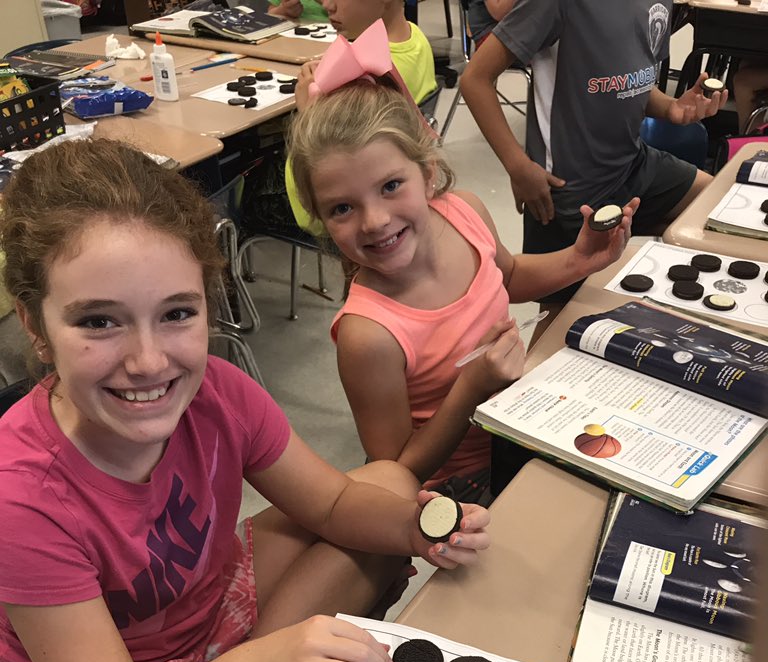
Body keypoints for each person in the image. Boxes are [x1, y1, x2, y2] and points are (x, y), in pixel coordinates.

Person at [0, 138, 491, 662]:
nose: (147, 362)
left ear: (208, 302)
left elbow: (330, 501)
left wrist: (416, 527)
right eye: (99, 322)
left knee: (390, 484)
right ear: (35, 326)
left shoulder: (220, 394)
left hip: (203, 612)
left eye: (176, 314)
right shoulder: (21, 496)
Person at [288, 77, 638, 505]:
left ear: (428, 174)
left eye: (390, 186)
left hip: (525, 418)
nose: (375, 220)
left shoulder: (463, 212)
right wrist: (472, 387)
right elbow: (396, 471)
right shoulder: (368, 335)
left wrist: (581, 259)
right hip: (465, 481)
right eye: (342, 208)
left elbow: (508, 276)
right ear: (320, 218)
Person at [460, 0, 728, 330]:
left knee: (722, 203)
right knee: (559, 328)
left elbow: (635, 80)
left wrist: (672, 107)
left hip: (634, 163)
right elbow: (475, 79)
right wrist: (517, 164)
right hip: (570, 188)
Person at [284, 2, 438, 235]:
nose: (328, 5)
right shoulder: (414, 38)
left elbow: (311, 216)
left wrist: (308, 114)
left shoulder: (365, 77)